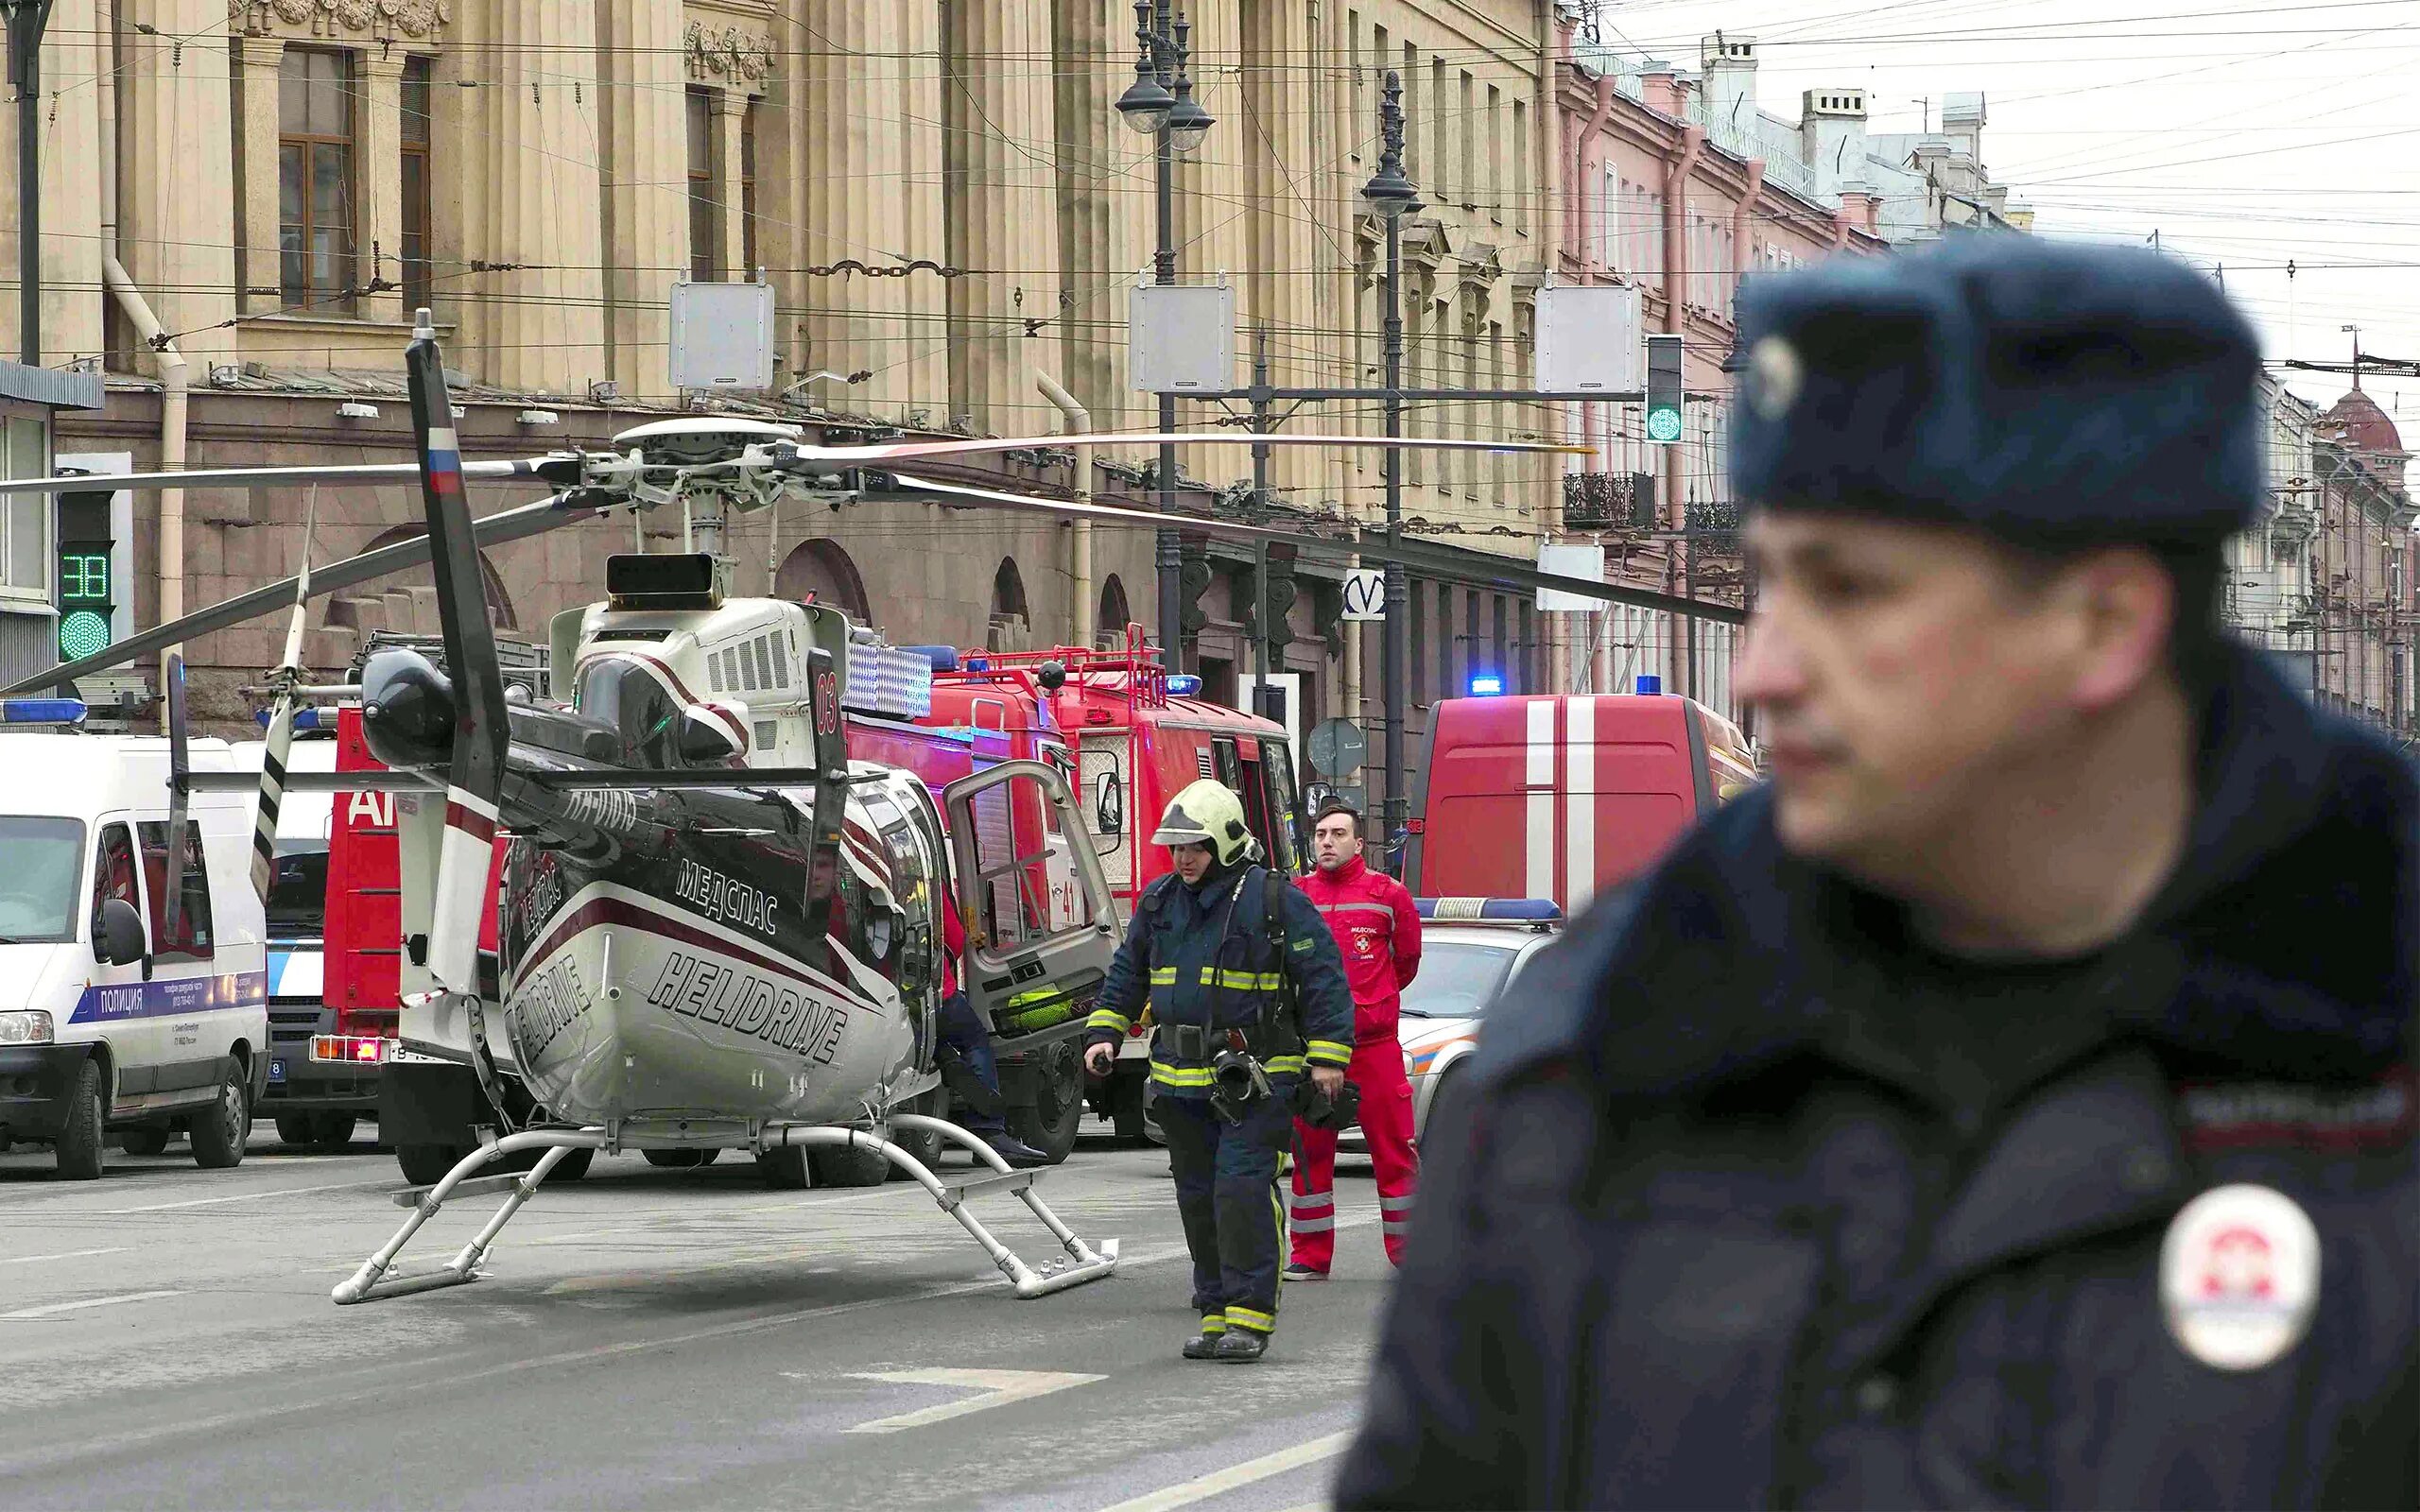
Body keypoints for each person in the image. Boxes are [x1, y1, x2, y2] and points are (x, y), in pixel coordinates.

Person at [1336, 237, 2416, 1507]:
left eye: (1850, 591)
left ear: (2107, 623)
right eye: (1772, 584)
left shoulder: (2371, 1051)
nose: (1764, 670)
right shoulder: (1604, 1051)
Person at [1081, 779, 1355, 1362]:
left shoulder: (1273, 899)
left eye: (1195, 847)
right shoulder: (1159, 903)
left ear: (1227, 843)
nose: (1184, 858)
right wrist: (1105, 1031)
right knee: (1199, 1198)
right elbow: (1128, 974)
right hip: (1180, 1080)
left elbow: (1324, 977)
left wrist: (1329, 1055)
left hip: (1258, 1077)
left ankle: (1250, 1319)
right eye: (1177, 847)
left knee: (1240, 1191)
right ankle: (1215, 1315)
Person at [1286, 799, 1423, 1279]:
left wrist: (1370, 1008)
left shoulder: (1389, 895)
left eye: (1337, 833)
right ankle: (1308, 1256)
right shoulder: (1297, 896)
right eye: (1321, 833)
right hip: (1313, 1050)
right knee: (1309, 1156)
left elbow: (1405, 963)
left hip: (1374, 1049)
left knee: (1394, 1154)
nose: (1326, 841)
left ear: (1359, 842)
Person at [935, 885, 1052, 1169]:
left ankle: (944, 1054)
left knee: (939, 1040)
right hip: (938, 993)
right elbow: (952, 935)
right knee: (974, 1040)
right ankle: (988, 1129)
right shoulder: (930, 881)